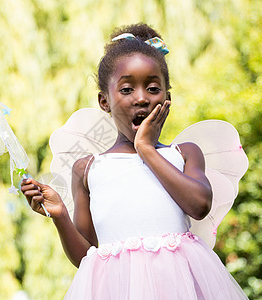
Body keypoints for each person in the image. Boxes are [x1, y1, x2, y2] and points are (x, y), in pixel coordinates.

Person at [21, 23, 248, 299]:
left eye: (153, 88)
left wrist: (146, 148)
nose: (141, 98)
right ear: (104, 101)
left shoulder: (185, 154)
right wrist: (59, 215)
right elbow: (87, 258)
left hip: (179, 287)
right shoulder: (87, 169)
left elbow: (199, 205)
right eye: (127, 90)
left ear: (168, 97)